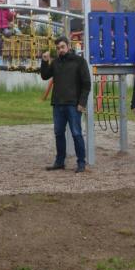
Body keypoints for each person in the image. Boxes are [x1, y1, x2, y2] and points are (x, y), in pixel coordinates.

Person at [40, 36, 91, 173]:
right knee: (58, 133)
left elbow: (87, 84)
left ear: (68, 46)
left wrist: (82, 103)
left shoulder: (80, 61)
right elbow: (45, 76)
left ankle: (81, 162)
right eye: (58, 48)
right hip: (58, 104)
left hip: (74, 105)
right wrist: (44, 62)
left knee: (76, 133)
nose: (60, 50)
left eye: (62, 47)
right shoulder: (56, 62)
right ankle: (60, 162)